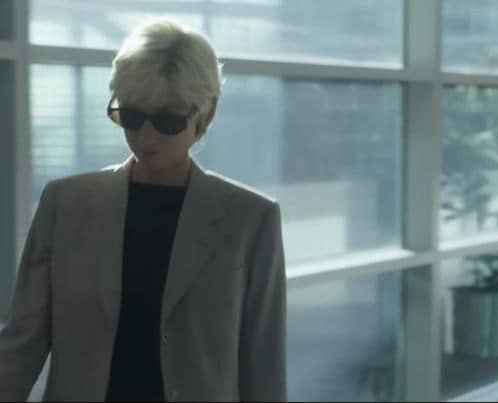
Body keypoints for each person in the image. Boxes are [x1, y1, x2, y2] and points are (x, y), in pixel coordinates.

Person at [0, 19, 286, 402]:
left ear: (205, 114)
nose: (145, 136)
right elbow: (21, 344)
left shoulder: (250, 219)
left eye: (167, 120)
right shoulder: (65, 205)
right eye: (132, 117)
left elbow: (263, 366)